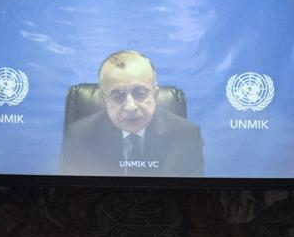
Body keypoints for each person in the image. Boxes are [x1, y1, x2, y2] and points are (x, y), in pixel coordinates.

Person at [59, 49, 204, 177]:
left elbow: (190, 196)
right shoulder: (81, 135)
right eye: (118, 95)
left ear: (155, 96)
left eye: (140, 93)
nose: (130, 107)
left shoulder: (187, 136)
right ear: (104, 100)